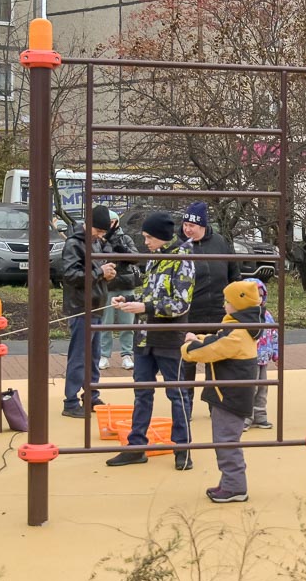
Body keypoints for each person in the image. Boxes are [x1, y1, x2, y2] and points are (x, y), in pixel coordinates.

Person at [106, 212, 196, 470]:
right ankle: (136, 447)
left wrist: (144, 307)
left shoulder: (183, 259)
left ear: (161, 236)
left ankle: (183, 449)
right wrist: (129, 300)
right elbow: (150, 293)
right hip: (144, 337)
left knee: (177, 394)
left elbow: (181, 304)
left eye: (148, 237)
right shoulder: (155, 257)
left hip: (168, 337)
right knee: (142, 393)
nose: (145, 242)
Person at [180, 281, 264, 503]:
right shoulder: (240, 326)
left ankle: (235, 487)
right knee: (224, 439)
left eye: (227, 301)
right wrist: (197, 338)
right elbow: (216, 339)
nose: (224, 304)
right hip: (228, 393)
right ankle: (229, 482)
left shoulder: (238, 333)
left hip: (230, 396)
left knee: (226, 441)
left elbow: (211, 350)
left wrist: (188, 347)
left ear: (238, 304)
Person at [59, 205, 117, 418]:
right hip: (81, 307)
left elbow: (93, 272)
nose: (101, 235)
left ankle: (91, 394)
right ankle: (71, 401)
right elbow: (70, 276)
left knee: (93, 355)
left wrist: (106, 274)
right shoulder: (74, 243)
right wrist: (100, 272)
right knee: (79, 355)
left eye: (103, 232)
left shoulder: (96, 242)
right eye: (98, 231)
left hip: (96, 304)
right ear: (88, 224)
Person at [179, 201, 239, 399]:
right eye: (185, 224)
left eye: (192, 225)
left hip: (218, 314)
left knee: (217, 364)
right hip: (189, 315)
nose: (187, 229)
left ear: (203, 225)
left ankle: (217, 405)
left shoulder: (220, 242)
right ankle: (184, 406)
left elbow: (234, 275)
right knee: (186, 362)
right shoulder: (178, 246)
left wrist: (237, 305)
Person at [99, 210, 138, 372]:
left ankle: (127, 355)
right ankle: (103, 355)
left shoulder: (125, 238)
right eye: (108, 222)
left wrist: (121, 248)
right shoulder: (100, 239)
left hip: (126, 285)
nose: (110, 225)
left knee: (127, 323)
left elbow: (135, 258)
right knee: (105, 323)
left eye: (112, 222)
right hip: (107, 286)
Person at [244, 278, 278, 431]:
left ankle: (260, 416)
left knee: (262, 389)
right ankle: (246, 417)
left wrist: (276, 354)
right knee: (250, 389)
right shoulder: (242, 316)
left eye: (260, 295)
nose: (257, 298)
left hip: (263, 359)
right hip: (248, 359)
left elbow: (274, 335)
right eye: (254, 295)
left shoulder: (267, 315)